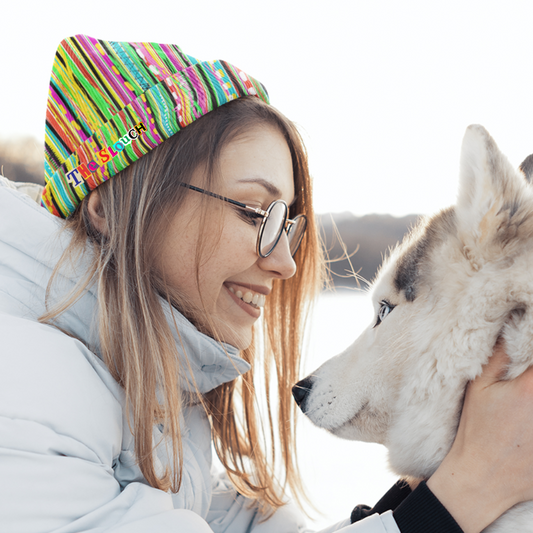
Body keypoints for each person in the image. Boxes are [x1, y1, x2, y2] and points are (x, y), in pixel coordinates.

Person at [1, 34, 533, 533]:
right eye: (255, 212)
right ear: (109, 209)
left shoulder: (149, 410)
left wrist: (438, 474)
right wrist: (470, 485)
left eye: (289, 223)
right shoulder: (22, 393)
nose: (285, 262)